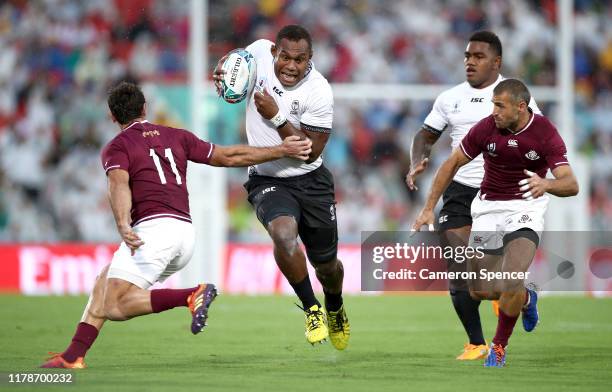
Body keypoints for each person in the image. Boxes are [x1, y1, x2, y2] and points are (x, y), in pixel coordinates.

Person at [40, 81, 313, 368]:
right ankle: (74, 355)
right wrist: (280, 149)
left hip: (153, 232)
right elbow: (229, 156)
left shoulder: (116, 147)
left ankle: (191, 294)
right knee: (103, 283)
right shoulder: (176, 136)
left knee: (114, 305)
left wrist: (122, 223)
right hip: (184, 234)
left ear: (112, 116)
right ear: (145, 108)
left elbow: (118, 184)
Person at [412, 79, 578, 367]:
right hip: (488, 209)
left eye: (500, 106)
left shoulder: (543, 131)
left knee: (511, 277)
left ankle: (498, 347)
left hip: (526, 208)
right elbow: (451, 163)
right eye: (493, 104)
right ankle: (527, 298)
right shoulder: (487, 127)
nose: (494, 111)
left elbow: (571, 184)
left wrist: (546, 184)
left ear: (521, 106)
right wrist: (428, 208)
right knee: (481, 290)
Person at [405, 31, 541, 360]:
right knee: (459, 266)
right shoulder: (449, 98)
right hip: (460, 191)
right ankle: (476, 342)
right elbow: (424, 136)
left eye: (478, 57)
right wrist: (416, 161)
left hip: (503, 194)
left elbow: (537, 137)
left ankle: (522, 297)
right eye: (467, 56)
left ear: (497, 63)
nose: (470, 61)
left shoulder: (515, 95)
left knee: (489, 281)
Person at [213, 25, 350, 349]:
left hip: (312, 181)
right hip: (267, 179)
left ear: (310, 59)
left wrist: (277, 118)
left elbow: (310, 152)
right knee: (284, 234)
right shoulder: (258, 51)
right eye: (285, 57)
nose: (290, 66)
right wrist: (222, 74)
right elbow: (233, 69)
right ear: (274, 51)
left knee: (327, 267)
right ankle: (311, 307)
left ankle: (334, 305)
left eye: (299, 60)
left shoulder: (319, 91)